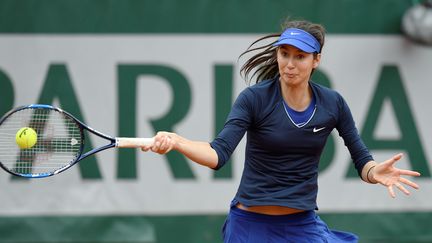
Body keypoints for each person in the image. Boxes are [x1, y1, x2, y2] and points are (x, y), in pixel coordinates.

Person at [141, 18, 421, 242]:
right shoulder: (254, 99)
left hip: (301, 226)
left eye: (300, 57)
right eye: (284, 54)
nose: (289, 64)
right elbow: (218, 154)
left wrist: (374, 172)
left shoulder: (332, 104)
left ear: (316, 60)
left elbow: (361, 158)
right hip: (250, 227)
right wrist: (177, 141)